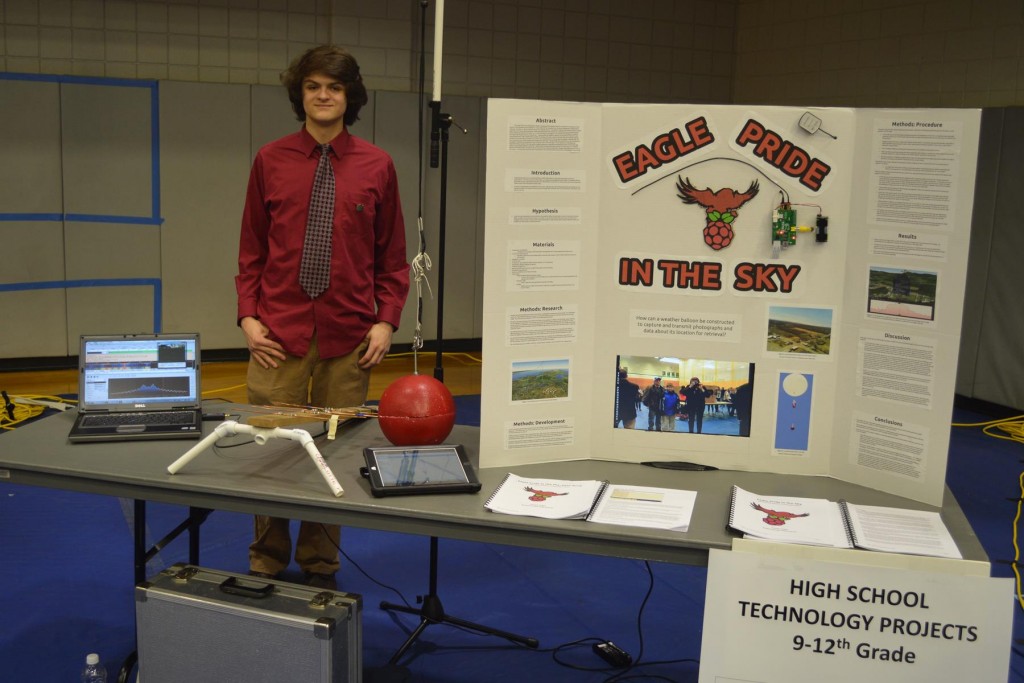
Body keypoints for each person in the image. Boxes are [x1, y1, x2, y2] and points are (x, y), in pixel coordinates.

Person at [235, 45, 410, 590]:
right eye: (313, 86)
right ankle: (266, 561)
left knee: (334, 452)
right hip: (277, 336)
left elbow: (392, 257)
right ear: (300, 95)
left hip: (348, 338)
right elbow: (251, 249)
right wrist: (248, 318)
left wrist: (386, 321)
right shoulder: (270, 160)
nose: (323, 96)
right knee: (271, 450)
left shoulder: (378, 166)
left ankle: (320, 567)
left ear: (349, 96)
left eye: (334, 87)